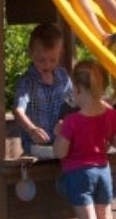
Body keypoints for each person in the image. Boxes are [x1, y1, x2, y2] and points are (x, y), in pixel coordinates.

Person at [53, 59, 116, 219]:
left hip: (79, 175)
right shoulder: (110, 115)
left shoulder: (71, 121)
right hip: (103, 172)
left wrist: (59, 133)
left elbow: (60, 152)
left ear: (77, 89)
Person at [9, 22, 73, 158]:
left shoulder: (63, 77)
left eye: (52, 60)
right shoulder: (27, 82)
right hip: (36, 146)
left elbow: (73, 103)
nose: (47, 64)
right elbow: (18, 110)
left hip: (60, 143)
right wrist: (32, 129)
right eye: (41, 60)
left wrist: (65, 121)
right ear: (31, 54)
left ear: (60, 54)